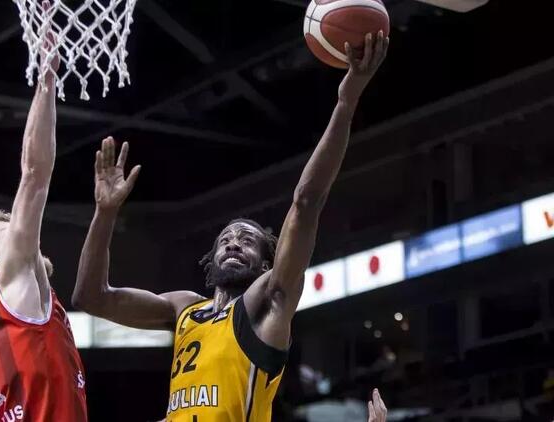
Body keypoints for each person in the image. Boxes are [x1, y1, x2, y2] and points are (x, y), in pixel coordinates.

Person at [73, 31, 388, 421]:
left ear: (266, 263)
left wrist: (346, 101)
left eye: (247, 239)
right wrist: (105, 213)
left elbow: (307, 201)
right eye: (226, 239)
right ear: (212, 259)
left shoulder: (269, 300)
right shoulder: (184, 309)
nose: (234, 243)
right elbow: (91, 297)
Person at [0, 36, 88, 422]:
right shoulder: (9, 278)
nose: (23, 234)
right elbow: (34, 174)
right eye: (9, 232)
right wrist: (47, 79)